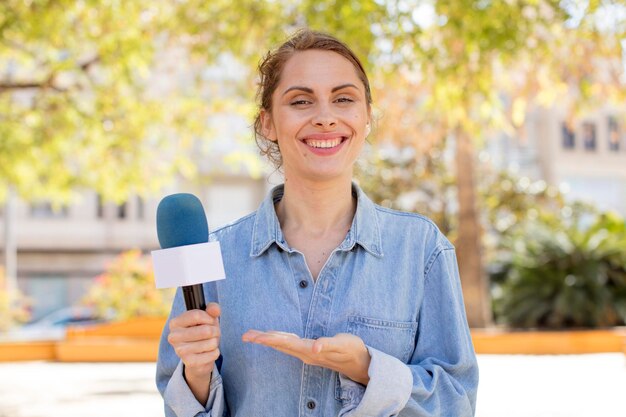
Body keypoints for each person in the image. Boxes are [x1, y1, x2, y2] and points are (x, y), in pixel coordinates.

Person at [156, 29, 479, 417]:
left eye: (343, 99)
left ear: (366, 117)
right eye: (301, 101)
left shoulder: (422, 248)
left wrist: (367, 369)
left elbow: (456, 402)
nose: (325, 117)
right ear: (267, 124)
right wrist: (197, 375)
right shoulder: (212, 257)